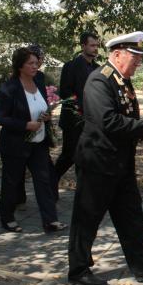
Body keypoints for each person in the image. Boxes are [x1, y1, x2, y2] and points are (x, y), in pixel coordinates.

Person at [68, 31, 143, 285]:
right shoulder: (99, 81)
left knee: (132, 216)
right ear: (116, 55)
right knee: (87, 217)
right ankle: (78, 269)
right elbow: (109, 121)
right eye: (134, 58)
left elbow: (127, 120)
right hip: (98, 163)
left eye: (139, 58)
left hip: (121, 163)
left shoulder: (122, 81)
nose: (138, 63)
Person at [0, 47, 66, 233]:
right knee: (11, 182)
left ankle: (50, 221)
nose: (36, 66)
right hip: (15, 145)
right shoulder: (9, 88)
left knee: (43, 181)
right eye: (31, 63)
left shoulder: (40, 80)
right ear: (20, 66)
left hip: (39, 143)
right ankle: (7, 218)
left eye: (37, 63)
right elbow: (1, 118)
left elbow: (40, 104)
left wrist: (47, 116)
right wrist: (25, 125)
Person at [15, 44, 59, 208]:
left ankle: (50, 202)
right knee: (18, 171)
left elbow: (43, 98)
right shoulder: (14, 82)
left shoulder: (40, 77)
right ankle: (17, 199)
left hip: (41, 129)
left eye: (39, 60)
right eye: (34, 61)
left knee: (45, 169)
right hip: (23, 131)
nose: (37, 64)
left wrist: (48, 111)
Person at [54, 32, 100, 183]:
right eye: (92, 45)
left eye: (97, 46)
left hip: (91, 122)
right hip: (73, 120)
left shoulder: (99, 69)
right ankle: (50, 181)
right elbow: (66, 93)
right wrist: (82, 109)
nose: (95, 49)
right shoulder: (71, 66)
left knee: (86, 158)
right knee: (69, 156)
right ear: (83, 46)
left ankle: (83, 193)